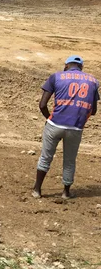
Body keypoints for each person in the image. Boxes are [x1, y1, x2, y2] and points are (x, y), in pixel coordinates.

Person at [33, 55, 99, 199]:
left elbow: (42, 105)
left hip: (54, 124)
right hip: (75, 128)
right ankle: (66, 192)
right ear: (81, 67)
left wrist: (49, 119)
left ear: (66, 66)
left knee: (45, 157)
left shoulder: (56, 77)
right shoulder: (93, 82)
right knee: (69, 160)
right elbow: (93, 111)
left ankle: (37, 190)